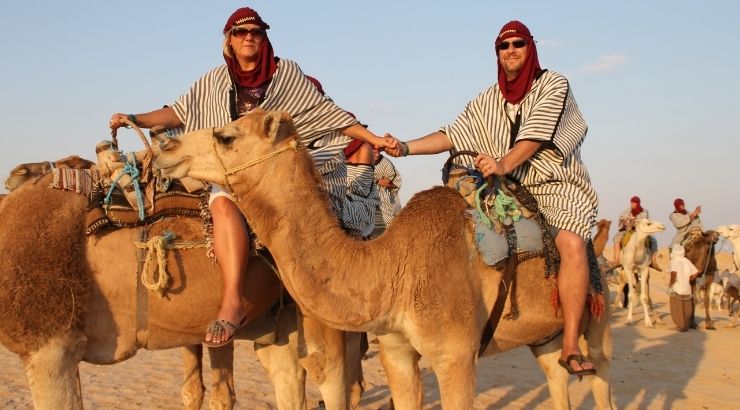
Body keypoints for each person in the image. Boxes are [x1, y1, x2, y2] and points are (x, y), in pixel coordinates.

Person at [109, 7, 390, 347]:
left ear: (264, 38)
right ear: (229, 40)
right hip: (233, 171)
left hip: (277, 173)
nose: (248, 38)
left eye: (255, 32)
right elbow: (177, 113)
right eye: (240, 33)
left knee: (318, 227)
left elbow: (326, 113)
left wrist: (372, 139)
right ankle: (232, 301)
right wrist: (135, 118)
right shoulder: (214, 81)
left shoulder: (286, 75)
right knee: (222, 202)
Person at [383, 20, 599, 376]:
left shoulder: (553, 84)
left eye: (518, 44)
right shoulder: (487, 99)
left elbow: (537, 136)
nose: (511, 50)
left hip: (553, 184)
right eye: (504, 46)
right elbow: (452, 134)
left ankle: (572, 343)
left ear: (531, 48)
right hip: (502, 186)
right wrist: (405, 147)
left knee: (573, 245)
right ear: (497, 54)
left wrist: (502, 163)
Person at [668, 244, 701, 331]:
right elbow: (696, 272)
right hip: (687, 288)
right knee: (687, 308)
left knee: (676, 307)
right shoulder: (686, 260)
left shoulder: (673, 261)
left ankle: (680, 326)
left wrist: (671, 283)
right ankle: (686, 326)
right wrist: (688, 280)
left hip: (677, 288)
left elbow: (673, 273)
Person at [370, 152, 402, 237]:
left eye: (378, 151)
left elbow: (394, 183)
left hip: (384, 204)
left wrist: (375, 180)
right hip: (366, 205)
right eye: (373, 150)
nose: (376, 154)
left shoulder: (385, 163)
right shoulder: (362, 161)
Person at [612, 196, 649, 264]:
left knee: (653, 242)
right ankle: (616, 259)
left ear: (637, 203)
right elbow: (621, 217)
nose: (632, 204)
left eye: (633, 203)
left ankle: (653, 261)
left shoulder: (644, 211)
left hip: (639, 230)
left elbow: (642, 219)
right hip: (626, 229)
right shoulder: (628, 210)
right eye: (631, 203)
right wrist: (625, 220)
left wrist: (632, 219)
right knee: (616, 238)